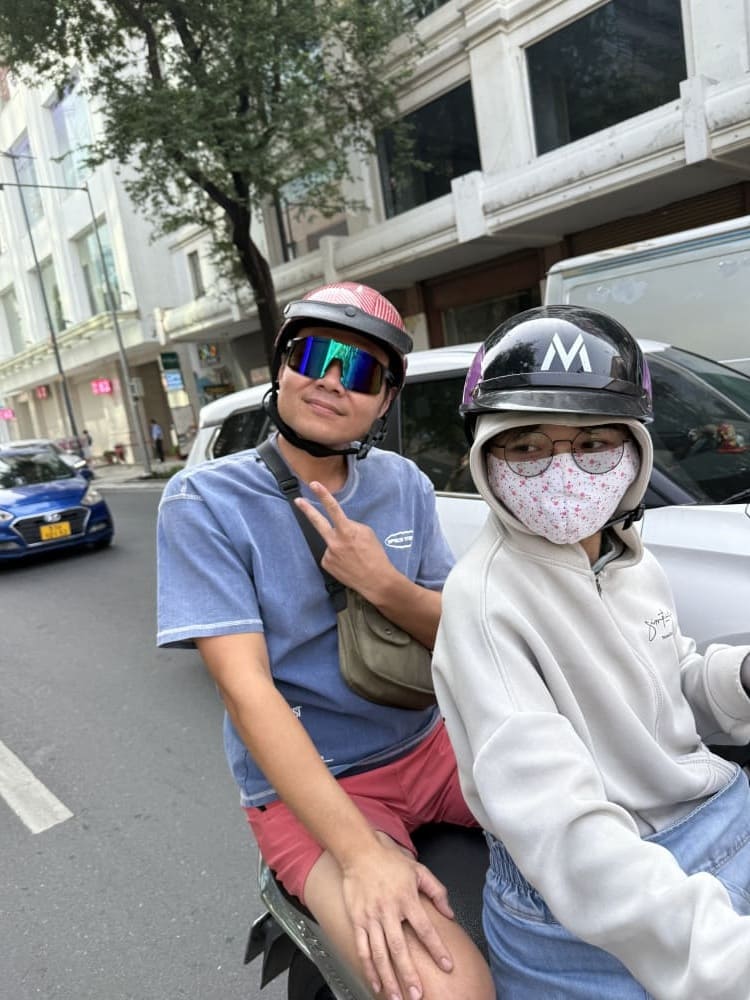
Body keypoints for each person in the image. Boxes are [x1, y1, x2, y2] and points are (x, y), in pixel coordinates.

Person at [156, 282, 493, 1000]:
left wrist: (383, 584)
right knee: (449, 991)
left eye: (362, 370)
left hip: (433, 746)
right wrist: (358, 854)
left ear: (385, 400)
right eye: (315, 355)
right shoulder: (204, 502)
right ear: (282, 366)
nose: (334, 380)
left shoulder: (403, 483)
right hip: (322, 783)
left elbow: (458, 633)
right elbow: (247, 692)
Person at [432, 305, 750, 1000]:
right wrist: (724, 958)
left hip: (718, 820)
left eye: (594, 442)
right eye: (526, 447)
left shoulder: (629, 557)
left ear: (635, 451)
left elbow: (670, 686)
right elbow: (563, 830)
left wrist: (743, 676)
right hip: (593, 905)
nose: (564, 472)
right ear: (485, 456)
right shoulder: (486, 601)